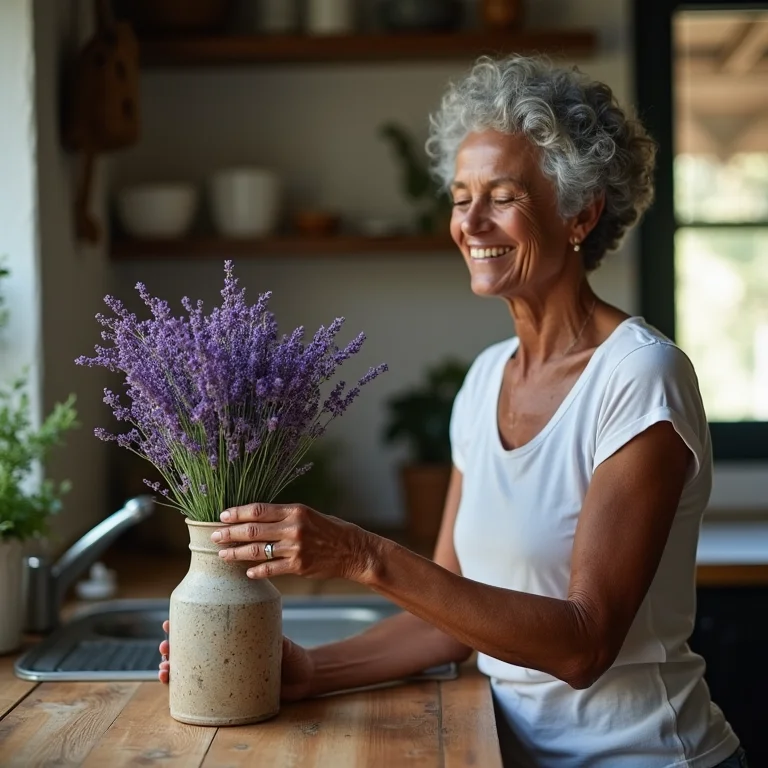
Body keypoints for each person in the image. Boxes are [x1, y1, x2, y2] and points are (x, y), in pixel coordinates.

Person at [159, 55, 747, 768]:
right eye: (461, 195)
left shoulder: (639, 377)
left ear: (580, 213)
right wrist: (312, 670)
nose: (469, 222)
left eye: (502, 195)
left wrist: (362, 554)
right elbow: (443, 631)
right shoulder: (482, 384)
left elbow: (583, 644)